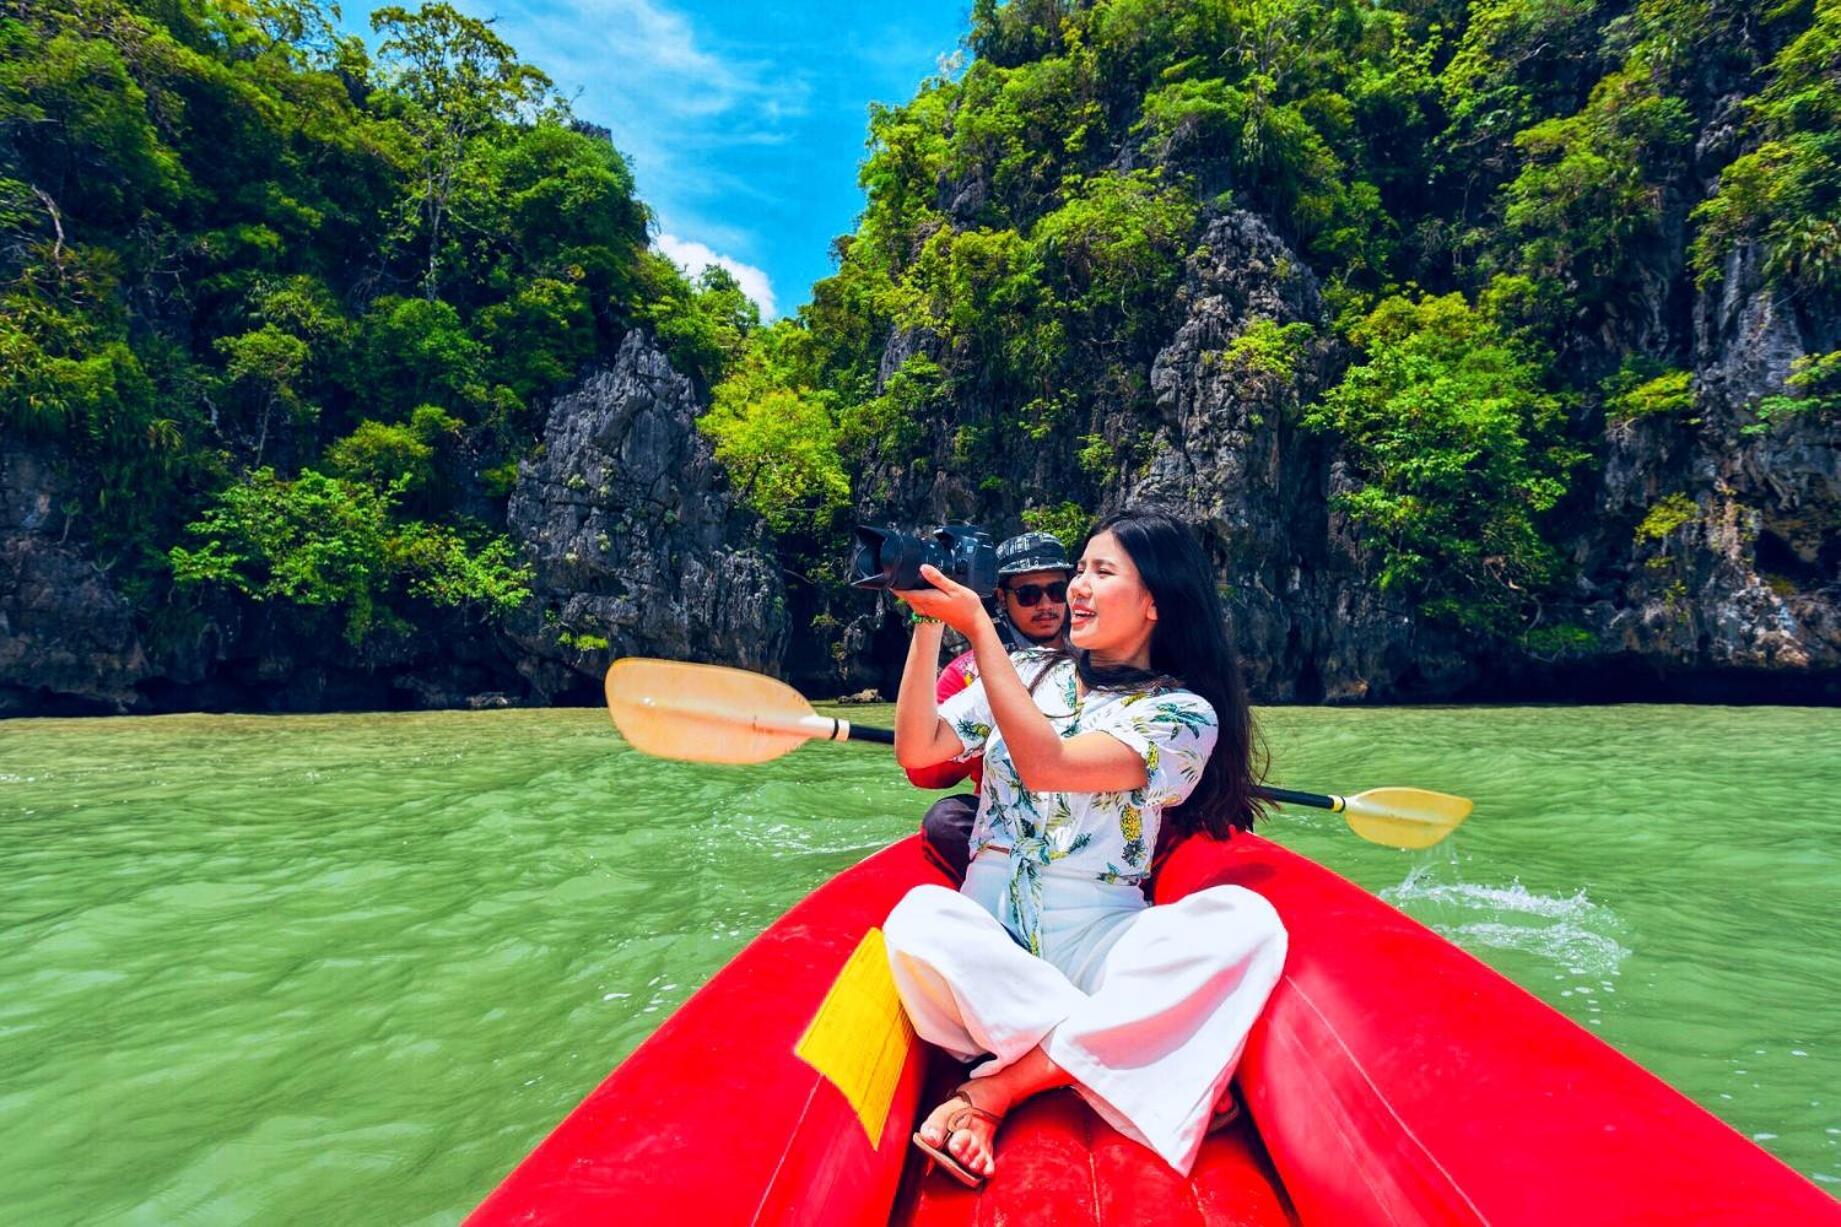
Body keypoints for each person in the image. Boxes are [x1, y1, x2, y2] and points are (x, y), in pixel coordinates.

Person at [882, 510, 1287, 1188]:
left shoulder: (1183, 713)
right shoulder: (1031, 674)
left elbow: (1051, 764)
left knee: (1245, 924)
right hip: (990, 945)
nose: (1073, 588)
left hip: (1100, 935)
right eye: (1080, 570)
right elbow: (920, 750)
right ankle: (1123, 1048)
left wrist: (978, 626)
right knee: (918, 917)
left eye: (1100, 572)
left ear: (1155, 599)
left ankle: (1004, 1084)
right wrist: (928, 624)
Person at [907, 531, 1073, 882]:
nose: (1046, 605)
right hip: (1002, 815)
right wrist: (985, 735)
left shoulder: (1097, 653)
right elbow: (923, 772)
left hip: (1081, 806)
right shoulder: (967, 675)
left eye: (1056, 591)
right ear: (1002, 597)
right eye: (1029, 594)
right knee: (945, 819)